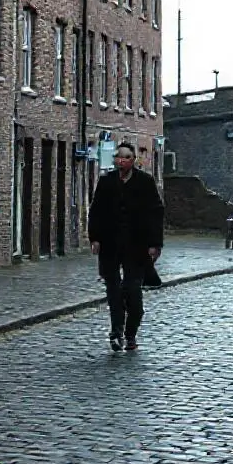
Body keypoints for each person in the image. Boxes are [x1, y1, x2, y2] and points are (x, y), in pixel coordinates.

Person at [87, 142, 165, 352]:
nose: (121, 161)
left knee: (133, 295)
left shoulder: (145, 182)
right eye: (118, 157)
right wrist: (94, 238)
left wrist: (155, 244)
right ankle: (116, 331)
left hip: (136, 247)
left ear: (133, 160)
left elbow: (156, 213)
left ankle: (130, 333)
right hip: (110, 246)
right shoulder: (106, 182)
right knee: (113, 292)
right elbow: (96, 211)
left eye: (126, 157)